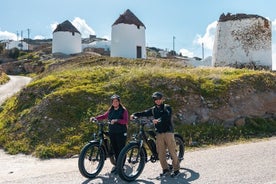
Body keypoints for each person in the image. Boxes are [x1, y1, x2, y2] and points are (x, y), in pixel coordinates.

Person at [130, 92, 180, 178]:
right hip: (159, 133)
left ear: (162, 99)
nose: (157, 101)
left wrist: (158, 120)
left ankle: (176, 170)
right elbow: (144, 113)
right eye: (155, 99)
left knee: (172, 152)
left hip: (168, 132)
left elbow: (166, 116)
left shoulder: (167, 107)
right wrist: (135, 114)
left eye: (159, 99)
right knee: (160, 153)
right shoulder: (153, 109)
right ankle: (165, 169)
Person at [90, 94, 128, 174]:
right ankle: (117, 165)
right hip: (112, 132)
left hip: (121, 132)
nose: (115, 103)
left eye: (116, 101)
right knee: (115, 149)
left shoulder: (123, 110)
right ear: (112, 102)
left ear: (119, 102)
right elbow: (104, 116)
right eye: (113, 101)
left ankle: (121, 167)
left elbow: (125, 121)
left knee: (121, 150)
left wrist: (117, 120)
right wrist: (95, 118)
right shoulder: (111, 110)